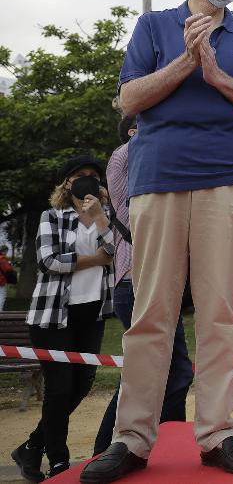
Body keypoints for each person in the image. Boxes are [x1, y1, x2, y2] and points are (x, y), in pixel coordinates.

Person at [82, 0, 233, 483]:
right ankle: (132, 438)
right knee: (151, 313)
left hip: (230, 180)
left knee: (220, 312)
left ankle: (217, 434)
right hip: (160, 179)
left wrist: (217, 75)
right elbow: (129, 99)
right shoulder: (153, 27)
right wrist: (186, 62)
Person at [94, 115, 194, 455]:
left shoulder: (142, 165)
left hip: (147, 282)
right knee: (172, 372)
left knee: (147, 374)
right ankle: (164, 445)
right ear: (136, 133)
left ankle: (110, 448)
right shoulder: (127, 155)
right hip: (136, 282)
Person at [11, 156, 115, 481]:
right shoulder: (51, 216)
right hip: (53, 316)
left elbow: (120, 253)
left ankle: (32, 446)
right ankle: (57, 459)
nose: (87, 180)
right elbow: (48, 261)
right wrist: (96, 259)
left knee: (82, 385)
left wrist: (99, 219)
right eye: (79, 176)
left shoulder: (106, 216)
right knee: (58, 389)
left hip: (92, 313)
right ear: (67, 182)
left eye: (93, 177)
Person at [0, 243, 15, 311]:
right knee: (2, 296)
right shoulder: (2, 259)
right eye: (6, 251)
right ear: (4, 251)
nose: (6, 252)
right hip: (1, 281)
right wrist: (10, 265)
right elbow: (8, 269)